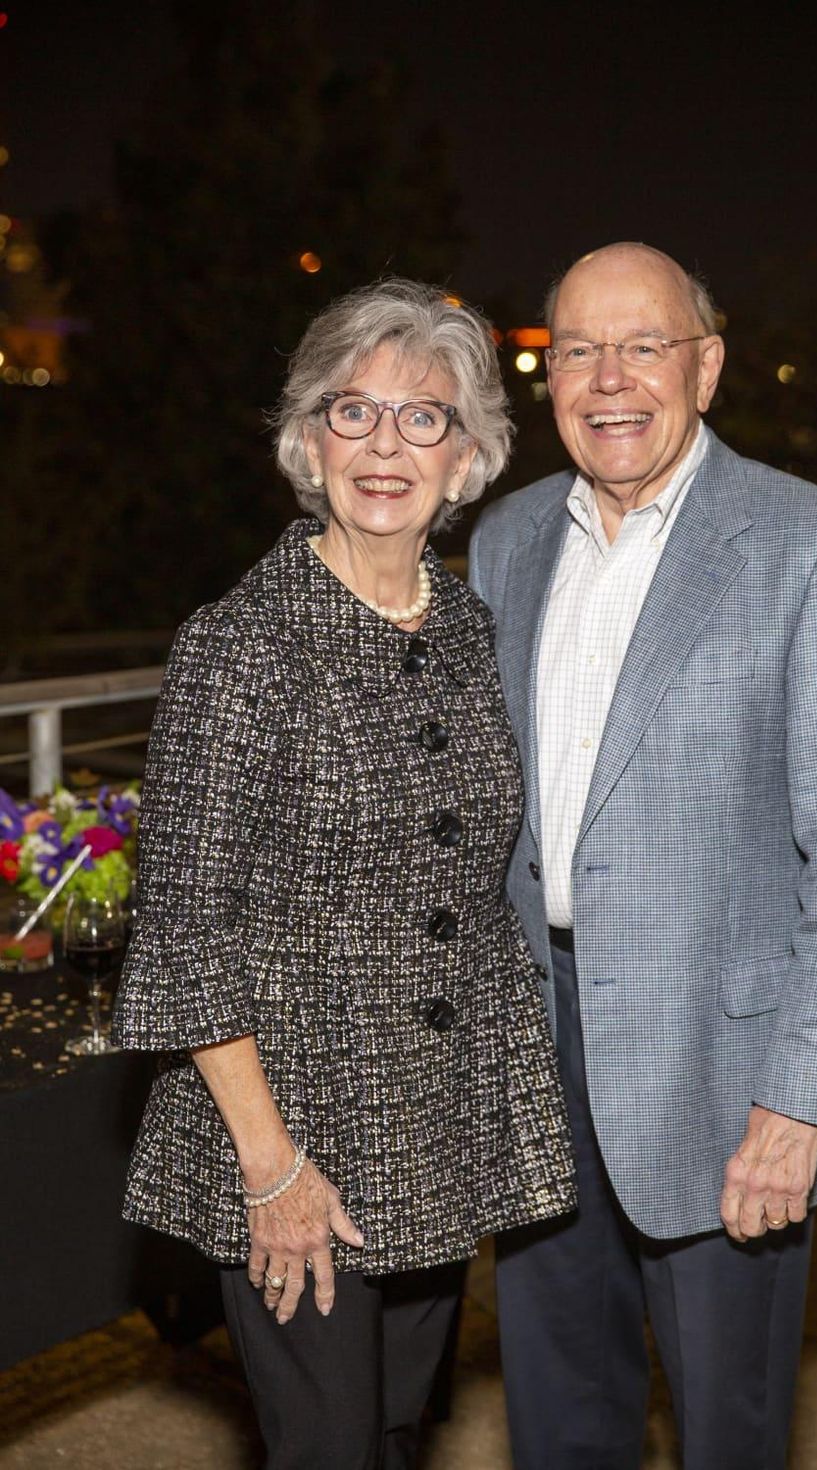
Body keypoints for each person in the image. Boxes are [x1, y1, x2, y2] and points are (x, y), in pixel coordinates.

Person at [469, 242, 817, 1470]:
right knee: (558, 1421)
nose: (608, 380)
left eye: (643, 346)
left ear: (705, 368)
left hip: (727, 1080)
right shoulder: (507, 540)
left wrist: (800, 1101)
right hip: (537, 1054)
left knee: (729, 1429)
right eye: (577, 351)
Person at [113, 278, 575, 1470]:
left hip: (437, 1129)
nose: (384, 446)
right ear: (308, 441)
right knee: (325, 1447)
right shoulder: (240, 644)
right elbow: (182, 933)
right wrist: (272, 1172)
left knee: (393, 1433)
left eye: (421, 417)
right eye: (352, 412)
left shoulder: (470, 631)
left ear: (465, 455)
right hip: (288, 1134)